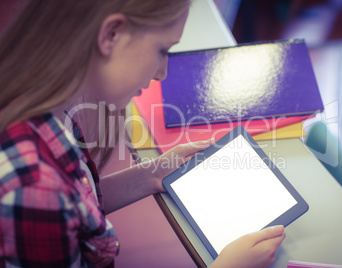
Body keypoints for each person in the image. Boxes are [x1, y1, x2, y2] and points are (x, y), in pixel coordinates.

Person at [0, 0, 286, 267]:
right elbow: (57, 202)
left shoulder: (50, 105)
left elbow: (77, 202)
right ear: (111, 34)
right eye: (162, 50)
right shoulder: (35, 189)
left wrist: (153, 174)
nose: (162, 72)